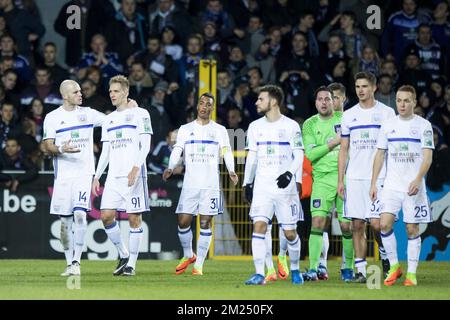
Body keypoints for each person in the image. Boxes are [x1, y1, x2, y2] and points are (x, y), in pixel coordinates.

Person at [163, 92, 238, 276]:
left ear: (212, 108)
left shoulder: (220, 130)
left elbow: (227, 151)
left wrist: (231, 170)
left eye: (208, 104)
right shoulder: (185, 129)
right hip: (190, 184)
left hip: (210, 185)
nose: (204, 107)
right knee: (183, 221)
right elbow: (177, 150)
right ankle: (189, 255)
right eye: (202, 103)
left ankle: (199, 266)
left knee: (205, 223)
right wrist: (171, 167)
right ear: (197, 106)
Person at [370, 85, 434, 286]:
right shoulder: (388, 125)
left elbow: (428, 157)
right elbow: (379, 154)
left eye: (407, 100)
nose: (402, 104)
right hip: (391, 185)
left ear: (414, 102)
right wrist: (374, 182)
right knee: (384, 224)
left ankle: (412, 274)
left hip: (412, 186)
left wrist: (417, 179)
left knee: (411, 229)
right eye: (399, 100)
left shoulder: (424, 126)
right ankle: (395, 266)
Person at [43, 79, 105, 276]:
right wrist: (62, 148)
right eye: (76, 92)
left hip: (83, 173)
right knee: (65, 223)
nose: (81, 94)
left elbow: (112, 120)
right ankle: (69, 263)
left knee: (80, 214)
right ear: (65, 96)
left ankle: (77, 262)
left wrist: (129, 109)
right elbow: (48, 145)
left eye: (80, 91)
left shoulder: (88, 114)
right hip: (63, 176)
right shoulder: (52, 117)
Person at [338, 72, 396, 283]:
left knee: (377, 224)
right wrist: (340, 180)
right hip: (354, 178)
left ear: (374, 88)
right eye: (357, 86)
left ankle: (385, 254)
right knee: (357, 225)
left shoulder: (387, 114)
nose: (360, 90)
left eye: (364, 86)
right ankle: (362, 271)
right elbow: (344, 149)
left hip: (380, 178)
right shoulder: (348, 115)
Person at [243, 85, 304, 285]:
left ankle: (294, 268)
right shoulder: (254, 127)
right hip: (262, 187)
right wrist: (247, 183)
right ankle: (260, 274)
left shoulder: (291, 126)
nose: (256, 102)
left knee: (290, 233)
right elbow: (251, 157)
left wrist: (290, 174)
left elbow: (299, 154)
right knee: (259, 226)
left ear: (274, 101)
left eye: (261, 99)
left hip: (284, 189)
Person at [92, 75, 152, 276]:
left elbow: (146, 144)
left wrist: (136, 168)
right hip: (114, 178)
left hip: (133, 175)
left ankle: (132, 265)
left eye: (116, 91)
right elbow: (106, 151)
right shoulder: (108, 120)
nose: (112, 94)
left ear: (126, 92)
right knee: (106, 216)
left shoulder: (140, 114)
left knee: (134, 218)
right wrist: (97, 175)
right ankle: (123, 254)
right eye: (110, 91)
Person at [301, 86, 354, 282]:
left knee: (346, 225)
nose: (324, 102)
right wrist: (334, 142)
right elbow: (311, 154)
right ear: (315, 103)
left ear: (334, 101)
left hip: (346, 177)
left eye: (327, 99)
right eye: (320, 99)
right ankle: (314, 268)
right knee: (317, 223)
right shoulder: (309, 124)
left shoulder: (345, 119)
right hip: (322, 180)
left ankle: (347, 267)